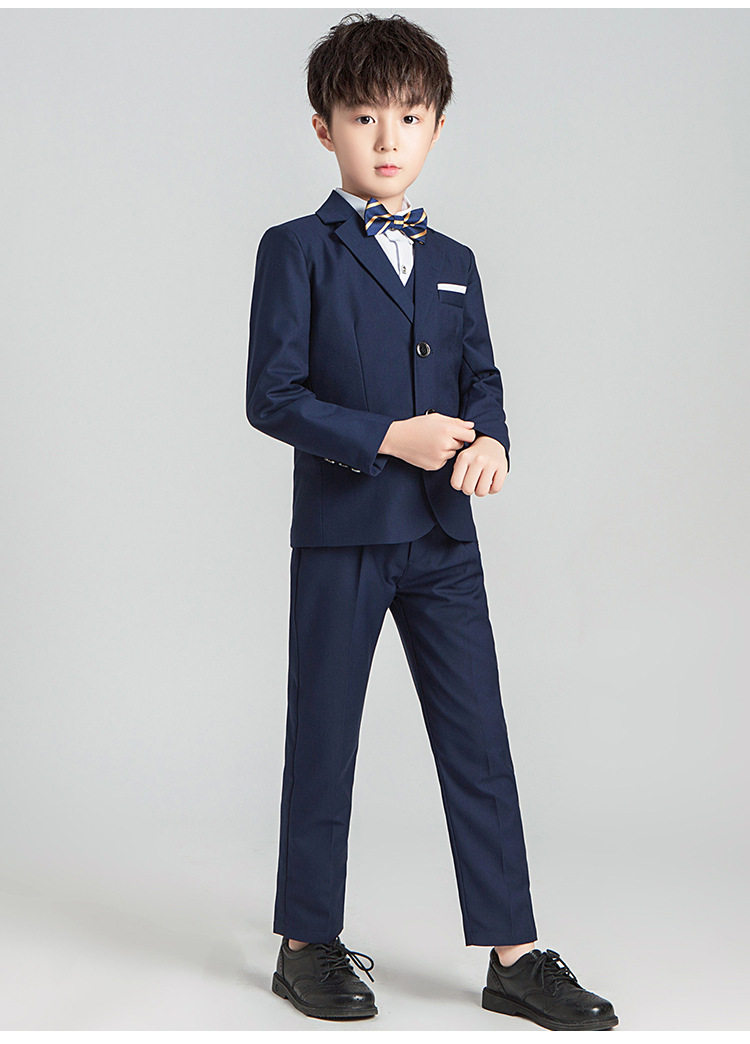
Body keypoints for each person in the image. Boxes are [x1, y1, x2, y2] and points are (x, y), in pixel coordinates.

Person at [245, 11, 618, 1032]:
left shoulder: (455, 258)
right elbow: (273, 397)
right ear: (323, 128)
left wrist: (493, 440)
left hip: (445, 540)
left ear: (437, 127)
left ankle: (515, 956)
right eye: (363, 116)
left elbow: (481, 377)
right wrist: (386, 437)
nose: (387, 137)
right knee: (324, 739)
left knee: (479, 741)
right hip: (343, 535)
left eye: (409, 116)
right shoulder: (296, 249)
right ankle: (304, 944)